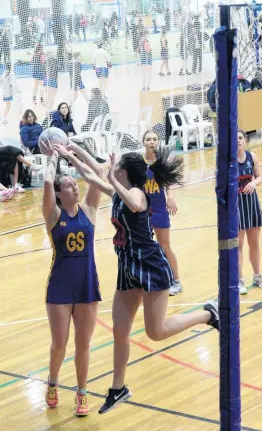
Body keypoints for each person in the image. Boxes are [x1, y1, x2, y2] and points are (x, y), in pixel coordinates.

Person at [52, 144, 219, 415]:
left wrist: (109, 181)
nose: (110, 170)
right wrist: (71, 154)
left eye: (115, 168)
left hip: (150, 266)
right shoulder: (118, 191)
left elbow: (133, 202)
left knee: (156, 332)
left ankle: (207, 315)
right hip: (128, 267)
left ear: (124, 172)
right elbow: (90, 174)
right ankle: (118, 388)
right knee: (120, 329)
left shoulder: (137, 193)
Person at [41, 139, 104, 416]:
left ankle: (82, 393)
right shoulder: (52, 214)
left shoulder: (88, 210)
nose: (75, 186)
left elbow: (98, 176)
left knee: (83, 344)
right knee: (60, 344)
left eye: (74, 183)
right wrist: (54, 158)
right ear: (58, 193)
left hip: (87, 284)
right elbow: (45, 184)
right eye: (68, 185)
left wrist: (76, 152)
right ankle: (52, 383)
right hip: (60, 288)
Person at [142, 131, 182, 295]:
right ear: (143, 142)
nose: (152, 141)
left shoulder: (162, 161)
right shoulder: (138, 162)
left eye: (154, 139)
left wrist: (170, 196)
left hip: (159, 208)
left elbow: (169, 182)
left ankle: (177, 281)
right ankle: (150, 280)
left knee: (164, 245)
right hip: (143, 210)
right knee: (145, 247)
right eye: (148, 139)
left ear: (158, 142)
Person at [237, 129, 262, 294]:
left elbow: (260, 177)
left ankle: (257, 276)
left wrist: (254, 183)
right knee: (238, 245)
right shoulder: (228, 161)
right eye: (235, 138)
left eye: (241, 138)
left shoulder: (252, 157)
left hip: (251, 203)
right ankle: (239, 279)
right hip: (236, 206)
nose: (238, 141)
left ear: (245, 140)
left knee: (254, 242)